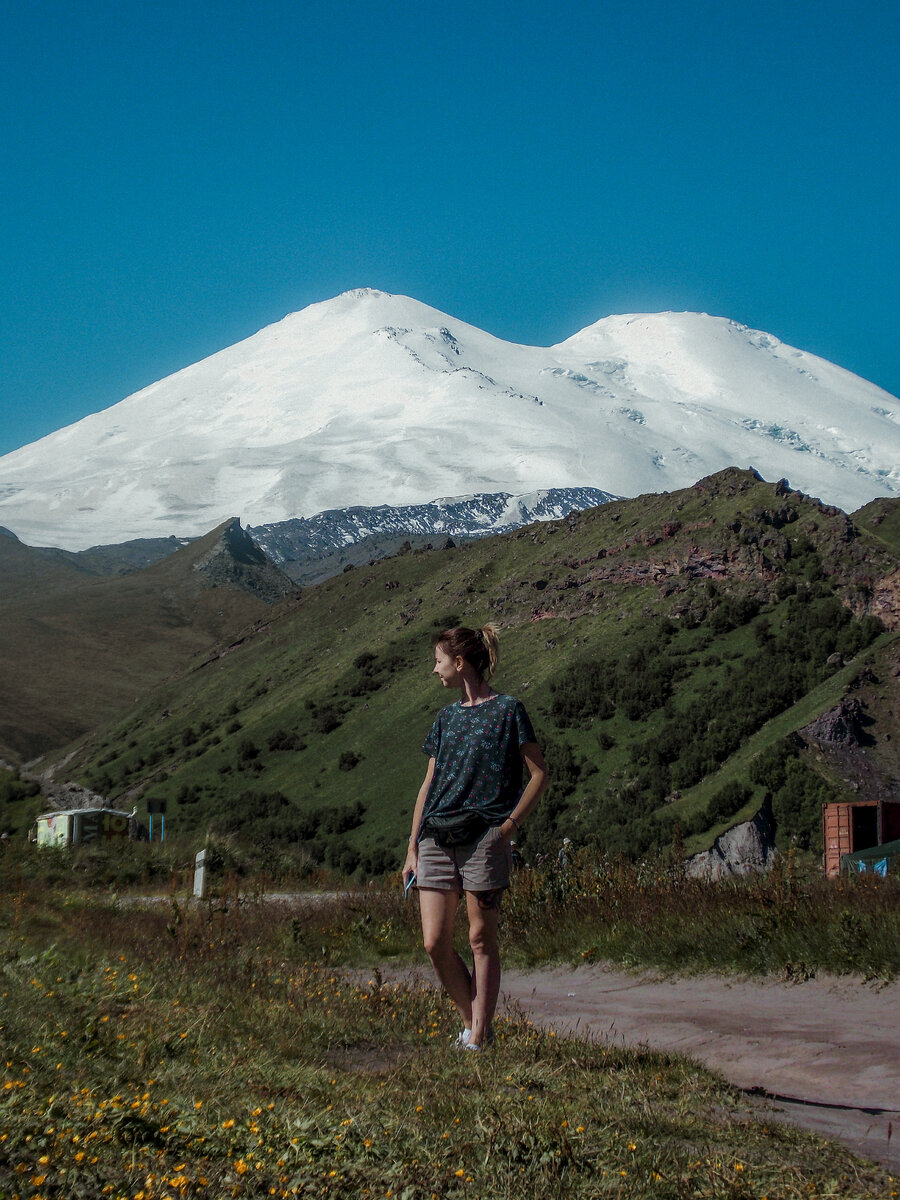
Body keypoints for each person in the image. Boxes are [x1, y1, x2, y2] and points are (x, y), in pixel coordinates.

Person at [403, 624, 548, 1051]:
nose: (435, 669)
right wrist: (412, 847)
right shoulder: (446, 718)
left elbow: (538, 774)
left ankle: (479, 1037)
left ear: (460, 662)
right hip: (435, 838)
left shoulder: (508, 710)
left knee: (481, 939)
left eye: (438, 660)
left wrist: (506, 831)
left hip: (484, 838)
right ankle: (475, 1025)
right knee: (433, 941)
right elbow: (427, 785)